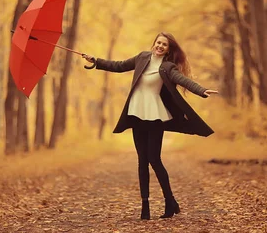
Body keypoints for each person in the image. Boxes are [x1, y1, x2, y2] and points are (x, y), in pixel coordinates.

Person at [82, 32, 218, 220]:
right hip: (136, 113)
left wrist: (201, 90)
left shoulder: (167, 67)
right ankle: (145, 206)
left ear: (168, 50)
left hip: (155, 115)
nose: (160, 46)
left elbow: (182, 80)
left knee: (154, 159)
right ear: (154, 43)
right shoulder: (141, 58)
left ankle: (169, 201)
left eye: (165, 45)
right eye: (159, 42)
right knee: (142, 160)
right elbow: (119, 66)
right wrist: (96, 61)